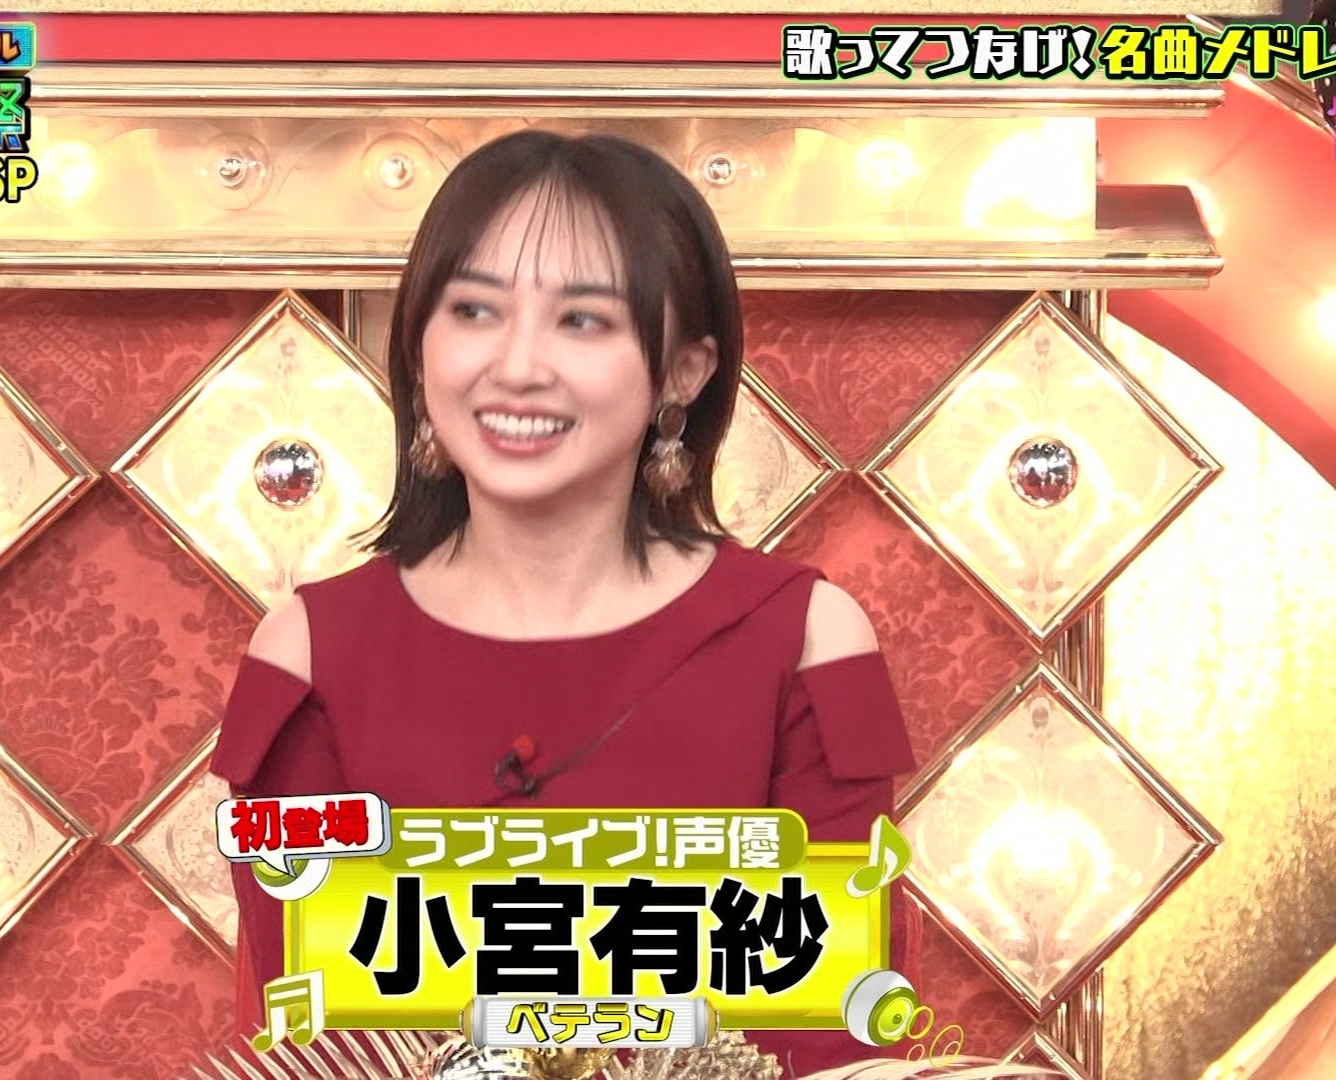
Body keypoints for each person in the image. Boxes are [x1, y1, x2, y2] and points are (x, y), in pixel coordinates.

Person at [213, 130, 920, 1078]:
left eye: (582, 320)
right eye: (474, 310)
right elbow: (322, 1037)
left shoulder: (806, 638)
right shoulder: (307, 654)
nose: (516, 366)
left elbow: (839, 1027)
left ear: (685, 371)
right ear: (418, 348)